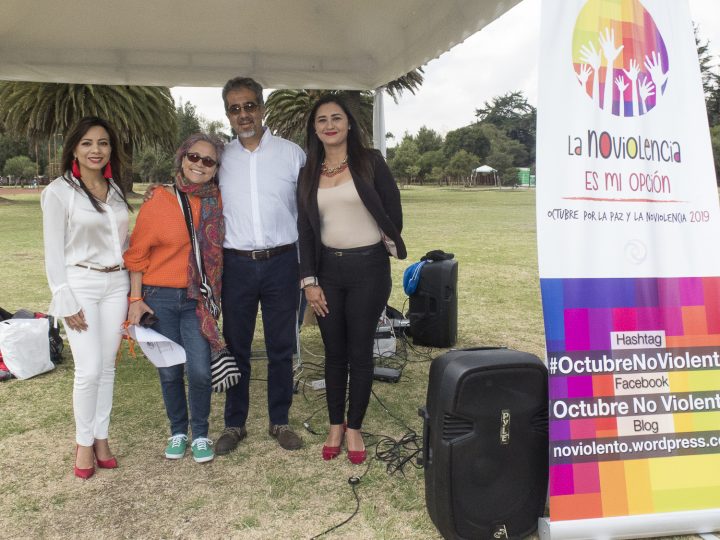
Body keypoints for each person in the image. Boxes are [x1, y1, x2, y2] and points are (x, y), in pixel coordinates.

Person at [297, 95, 406, 464]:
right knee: (334, 353)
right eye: (322, 120)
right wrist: (309, 281)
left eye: (336, 118)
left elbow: (393, 213)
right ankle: (334, 425)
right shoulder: (310, 170)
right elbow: (306, 229)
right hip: (327, 272)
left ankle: (355, 426)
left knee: (360, 352)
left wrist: (386, 243)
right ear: (314, 128)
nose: (329, 125)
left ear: (348, 124)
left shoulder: (370, 162)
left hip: (369, 270)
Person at [214, 77, 306, 455]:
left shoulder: (291, 154)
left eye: (249, 105)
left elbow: (310, 212)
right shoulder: (220, 158)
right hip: (235, 265)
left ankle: (279, 420)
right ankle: (234, 424)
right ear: (228, 115)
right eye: (235, 109)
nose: (243, 114)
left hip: (282, 262)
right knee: (236, 346)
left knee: (281, 346)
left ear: (262, 108)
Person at [124, 133, 227, 463]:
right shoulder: (159, 201)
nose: (199, 165)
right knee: (169, 370)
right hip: (160, 297)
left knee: (199, 371)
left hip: (197, 300)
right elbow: (137, 255)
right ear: (182, 159)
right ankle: (178, 430)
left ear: (216, 169)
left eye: (208, 161)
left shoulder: (216, 202)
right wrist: (136, 299)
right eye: (193, 157)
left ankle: (200, 434)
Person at [41, 116, 132, 479]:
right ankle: (83, 442)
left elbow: (123, 244)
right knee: (89, 368)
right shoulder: (59, 192)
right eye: (88, 143)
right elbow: (52, 251)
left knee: (107, 367)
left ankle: (102, 437)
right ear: (74, 149)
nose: (96, 150)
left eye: (103, 143)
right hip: (80, 284)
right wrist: (64, 298)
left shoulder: (116, 189)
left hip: (117, 284)